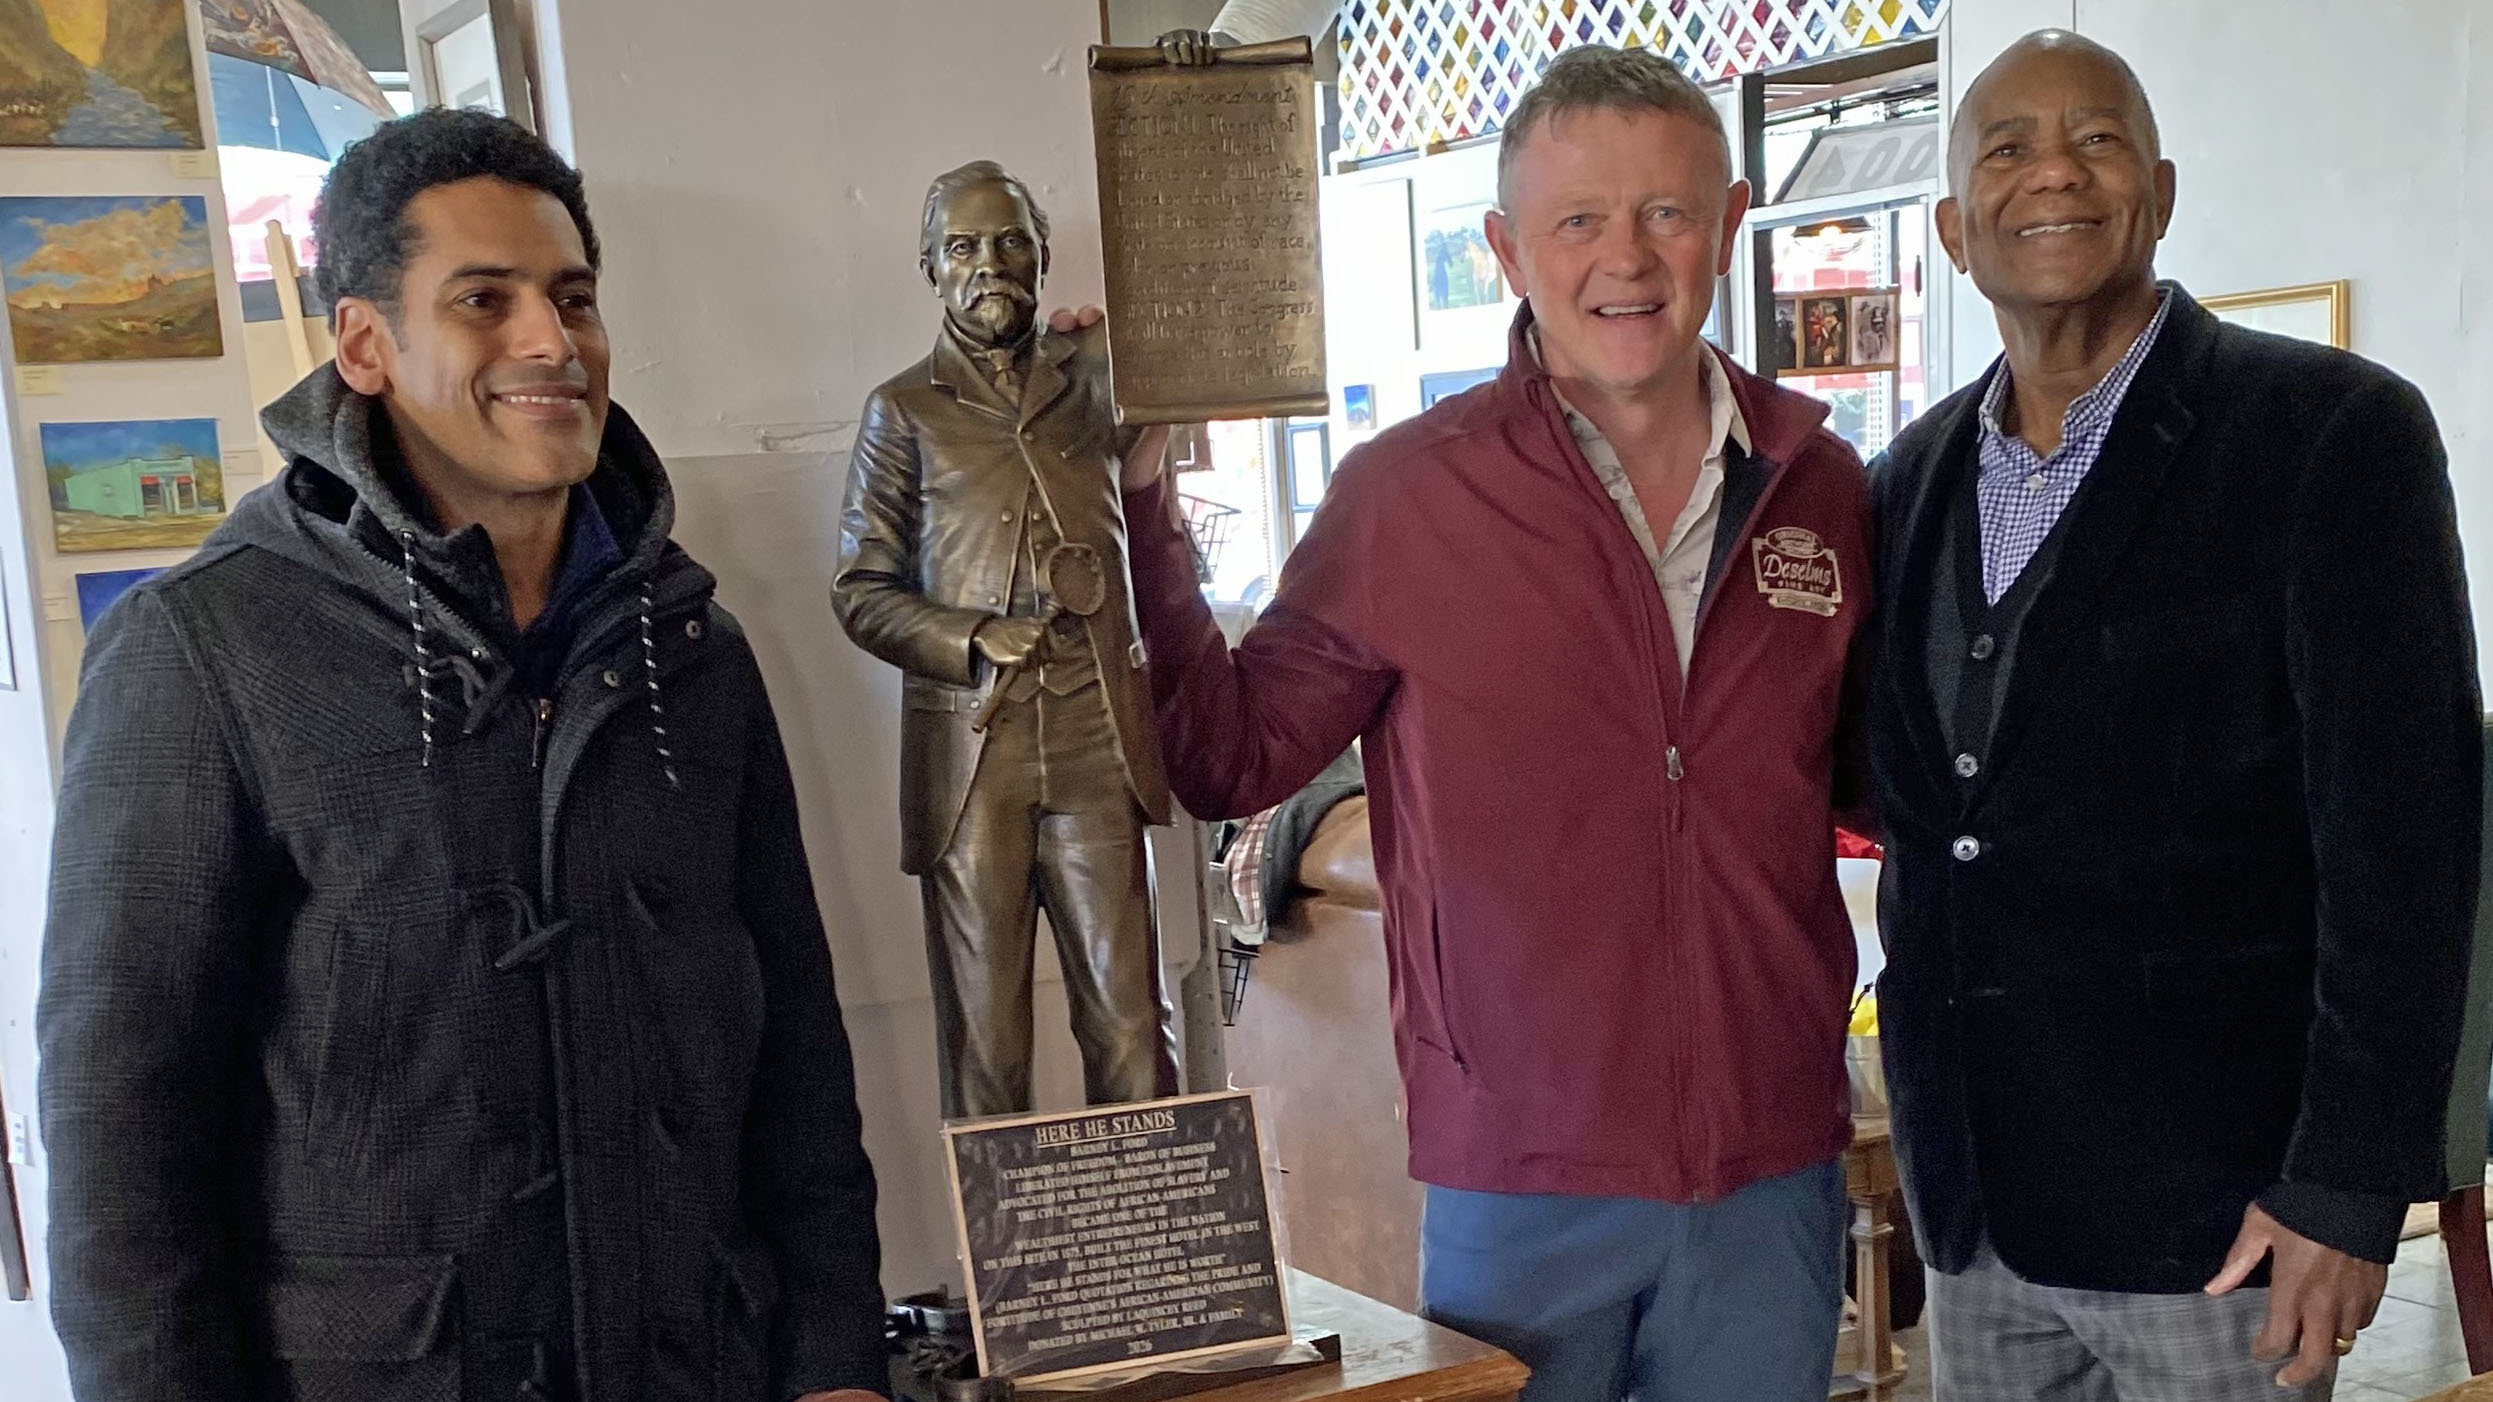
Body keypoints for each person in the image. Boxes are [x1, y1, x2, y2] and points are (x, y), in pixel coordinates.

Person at [37, 109, 887, 1402]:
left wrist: (838, 1364)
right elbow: (122, 1138)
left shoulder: (693, 652)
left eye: (573, 298)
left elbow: (801, 1061)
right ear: (366, 344)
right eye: (482, 300)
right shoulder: (202, 652)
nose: (550, 341)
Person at [1109, 43, 1875, 1402]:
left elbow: (1886, 775)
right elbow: (1227, 757)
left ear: (1732, 223)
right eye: (1578, 219)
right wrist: (1145, 507)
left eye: (1665, 212)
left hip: (1771, 1172)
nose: (1625, 258)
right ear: (1508, 251)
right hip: (1519, 1178)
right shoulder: (1407, 497)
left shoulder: (1819, 485)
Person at [1864, 31, 2480, 1401]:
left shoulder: (2327, 434)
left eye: (2097, 137)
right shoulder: (1906, 479)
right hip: (1975, 1215)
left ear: (2161, 188)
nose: (2054, 173)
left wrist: (2348, 1178)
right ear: (1954, 226)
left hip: (2223, 1223)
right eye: (2007, 147)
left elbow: (2407, 843)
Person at [834, 161, 1180, 1121]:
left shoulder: (1104, 378)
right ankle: (1009, 1273)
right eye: (963, 247)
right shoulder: (902, 409)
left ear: (1041, 255)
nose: (990, 264)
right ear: (929, 268)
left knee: (1128, 1025)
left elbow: (1213, 326)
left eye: (1009, 242)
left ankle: (1148, 1258)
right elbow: (859, 591)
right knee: (987, 1042)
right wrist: (974, 633)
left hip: (1094, 737)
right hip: (973, 752)